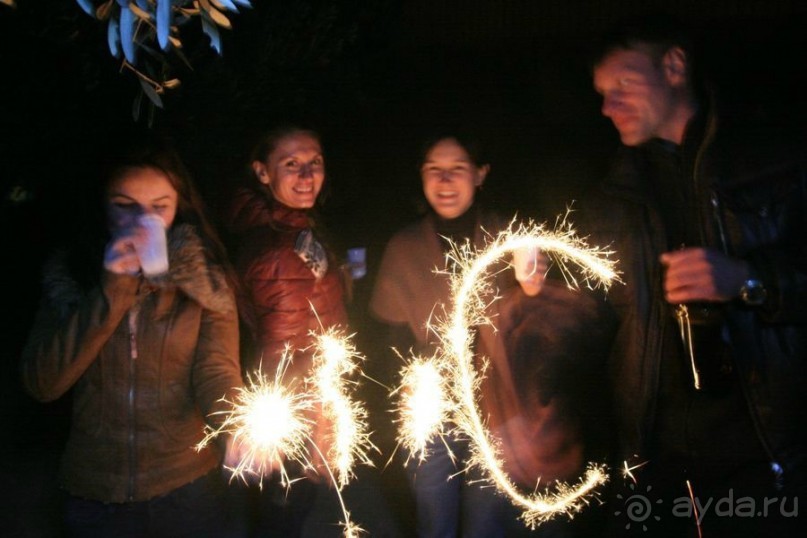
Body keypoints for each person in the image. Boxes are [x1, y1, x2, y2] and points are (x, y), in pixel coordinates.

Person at [582, 14, 807, 536]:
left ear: (675, 66)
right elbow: (593, 327)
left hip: (765, 459)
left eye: (623, 85)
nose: (607, 106)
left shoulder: (774, 158)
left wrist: (750, 281)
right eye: (600, 92)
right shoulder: (610, 200)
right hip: (658, 467)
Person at [20, 135, 243, 538]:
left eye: (159, 207)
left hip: (186, 486)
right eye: (125, 207)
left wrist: (238, 427)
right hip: (94, 492)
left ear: (179, 209)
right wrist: (111, 290)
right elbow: (43, 383)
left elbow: (216, 370)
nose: (144, 221)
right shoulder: (68, 277)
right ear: (102, 209)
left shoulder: (204, 281)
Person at [370, 132, 568, 537]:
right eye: (433, 171)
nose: (444, 182)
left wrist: (533, 286)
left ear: (480, 175)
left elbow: (548, 328)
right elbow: (389, 336)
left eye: (457, 170)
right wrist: (410, 383)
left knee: (488, 521)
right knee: (434, 516)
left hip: (500, 410)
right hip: (432, 415)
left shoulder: (510, 240)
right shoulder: (404, 247)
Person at [225, 125, 349, 536]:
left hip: (301, 411)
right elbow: (279, 352)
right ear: (262, 173)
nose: (307, 175)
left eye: (315, 163)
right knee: (282, 519)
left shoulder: (295, 228)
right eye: (291, 165)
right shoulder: (276, 250)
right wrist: (320, 425)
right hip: (294, 422)